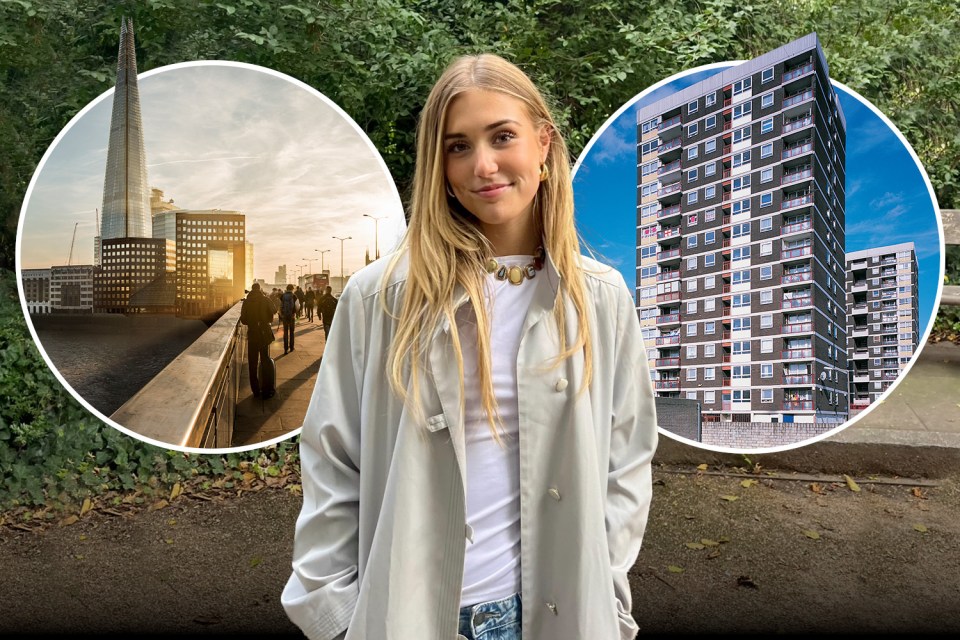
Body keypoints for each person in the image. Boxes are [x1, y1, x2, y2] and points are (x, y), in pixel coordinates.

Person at [282, 54, 658, 640]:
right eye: (457, 146)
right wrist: (333, 617)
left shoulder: (600, 299)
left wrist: (608, 599)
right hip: (406, 614)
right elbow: (333, 459)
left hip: (553, 614)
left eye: (502, 136)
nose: (482, 165)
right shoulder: (381, 297)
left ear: (544, 145)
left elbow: (626, 461)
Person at [238, 283, 275, 398]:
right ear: (259, 289)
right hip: (264, 334)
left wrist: (252, 321)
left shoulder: (246, 301)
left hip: (253, 334)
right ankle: (267, 389)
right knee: (265, 360)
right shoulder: (265, 299)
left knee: (252, 364)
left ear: (251, 290)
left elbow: (243, 320)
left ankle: (256, 391)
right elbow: (274, 310)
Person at [279, 284, 298, 354]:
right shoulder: (294, 296)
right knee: (292, 332)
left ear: (286, 289)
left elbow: (280, 306)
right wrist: (294, 313)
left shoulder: (282, 296)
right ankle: (292, 347)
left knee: (285, 332)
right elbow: (297, 306)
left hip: (285, 316)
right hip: (292, 316)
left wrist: (281, 314)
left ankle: (285, 349)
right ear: (292, 289)